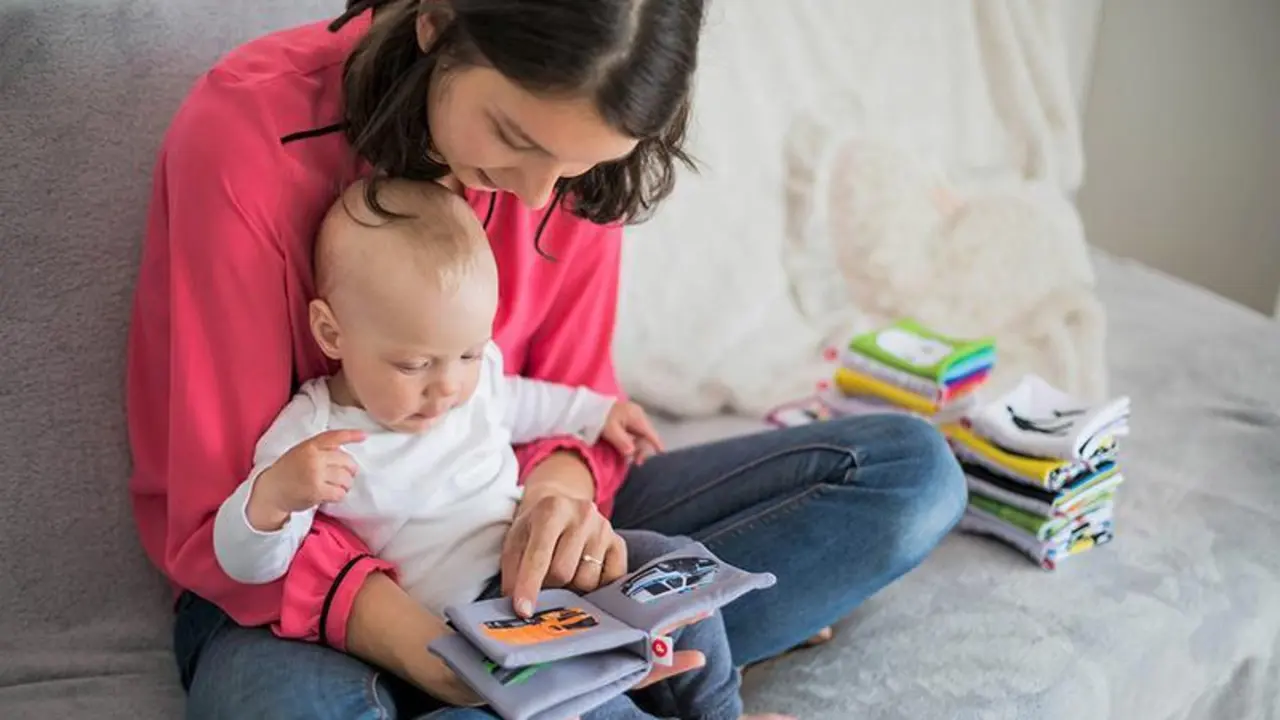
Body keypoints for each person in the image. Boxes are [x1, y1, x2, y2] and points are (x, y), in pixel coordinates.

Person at [125, 0, 968, 718]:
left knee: (910, 476)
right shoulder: (244, 139)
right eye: (512, 136)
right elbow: (220, 511)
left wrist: (557, 514)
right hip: (289, 588)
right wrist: (442, 658)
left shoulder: (568, 169)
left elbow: (569, 398)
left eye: (583, 164)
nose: (535, 197)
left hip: (500, 532)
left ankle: (593, 666)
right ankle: (585, 679)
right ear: (438, 21)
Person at [210, 177, 777, 719]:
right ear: (332, 333)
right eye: (413, 365)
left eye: (469, 355)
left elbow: (525, 403)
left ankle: (719, 712)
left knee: (673, 563)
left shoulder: (470, 382)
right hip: (470, 617)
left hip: (539, 560)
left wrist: (596, 412)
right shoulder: (314, 431)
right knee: (574, 695)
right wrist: (276, 495)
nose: (448, 388)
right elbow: (248, 563)